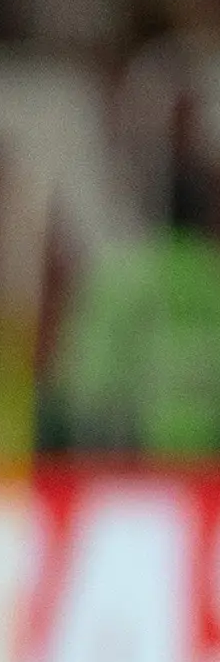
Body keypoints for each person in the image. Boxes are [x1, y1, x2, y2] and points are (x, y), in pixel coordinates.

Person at [58, 170, 220, 459]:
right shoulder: (211, 278)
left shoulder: (121, 279)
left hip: (135, 447)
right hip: (209, 449)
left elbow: (90, 375)